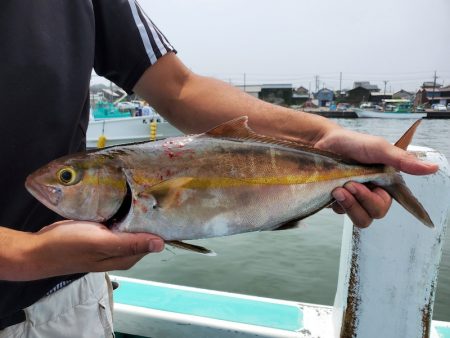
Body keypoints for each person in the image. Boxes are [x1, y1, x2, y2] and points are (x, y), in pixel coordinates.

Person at [0, 1, 438, 337]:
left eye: (68, 178)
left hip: (65, 301)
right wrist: (26, 256)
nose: (53, 183)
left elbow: (179, 88)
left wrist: (320, 139)